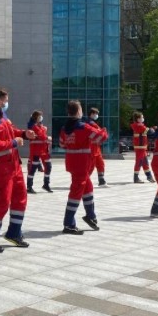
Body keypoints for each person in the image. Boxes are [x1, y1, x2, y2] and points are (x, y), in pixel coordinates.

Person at [0, 87, 36, 253]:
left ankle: (14, 233)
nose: (7, 103)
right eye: (5, 101)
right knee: (2, 203)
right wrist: (14, 142)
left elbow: (11, 131)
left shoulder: (1, 116)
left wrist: (24, 134)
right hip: (0, 167)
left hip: (13, 165)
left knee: (20, 198)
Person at [60, 100, 108, 235]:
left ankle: (90, 215)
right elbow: (100, 138)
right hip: (82, 164)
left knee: (88, 188)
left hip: (72, 163)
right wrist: (104, 130)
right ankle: (68, 223)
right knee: (75, 193)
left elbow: (63, 144)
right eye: (81, 108)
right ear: (78, 111)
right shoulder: (84, 127)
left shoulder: (65, 128)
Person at [26, 110, 53, 193]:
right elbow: (41, 135)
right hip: (36, 151)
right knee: (32, 169)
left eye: (41, 116)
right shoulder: (33, 126)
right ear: (35, 118)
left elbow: (42, 134)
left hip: (44, 150)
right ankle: (29, 187)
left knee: (48, 167)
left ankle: (46, 184)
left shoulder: (41, 126)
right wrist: (47, 137)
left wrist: (44, 132)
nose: (41, 118)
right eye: (39, 116)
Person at [131, 111, 155, 183]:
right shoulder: (139, 126)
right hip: (140, 147)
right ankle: (136, 177)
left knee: (145, 162)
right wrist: (154, 128)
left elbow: (146, 132)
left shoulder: (138, 126)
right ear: (138, 119)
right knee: (139, 162)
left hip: (142, 147)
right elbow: (149, 131)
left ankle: (149, 176)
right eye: (142, 117)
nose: (143, 118)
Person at [87, 107, 108, 187]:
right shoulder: (90, 123)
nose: (97, 115)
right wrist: (103, 132)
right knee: (91, 166)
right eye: (96, 113)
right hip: (91, 148)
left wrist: (102, 132)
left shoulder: (92, 123)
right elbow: (99, 134)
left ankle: (101, 180)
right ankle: (84, 180)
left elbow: (99, 134)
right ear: (92, 114)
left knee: (100, 164)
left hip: (96, 147)